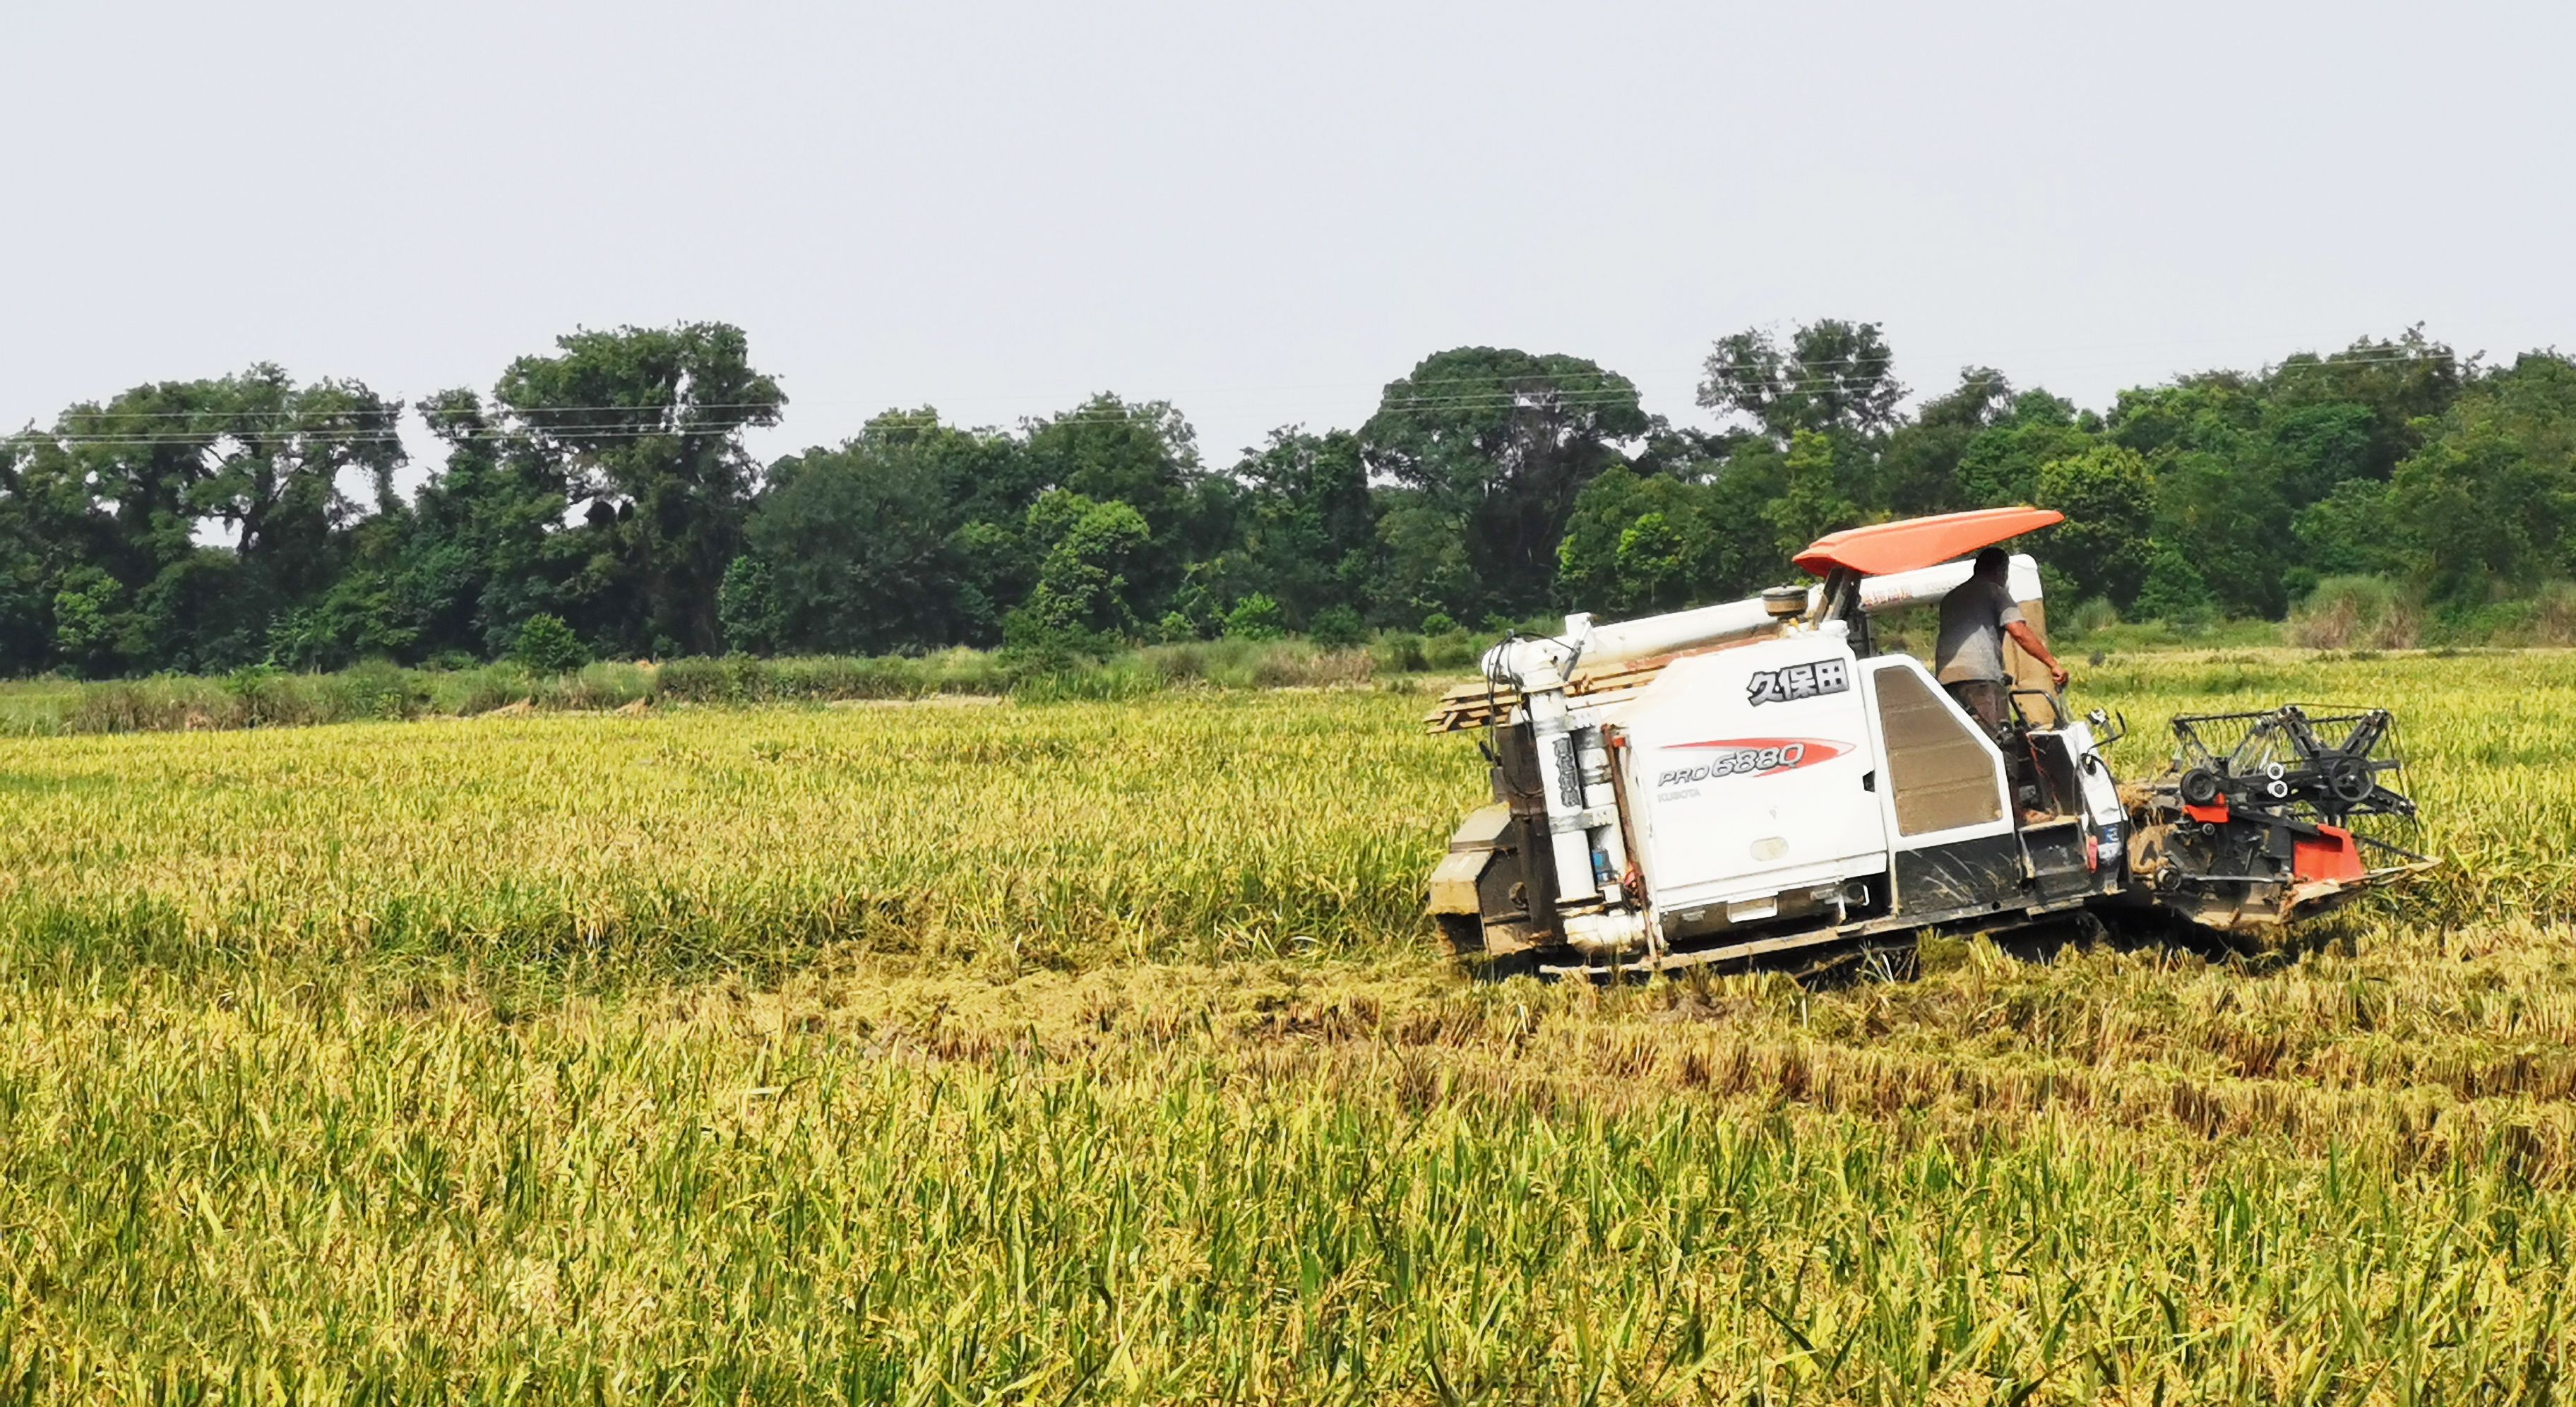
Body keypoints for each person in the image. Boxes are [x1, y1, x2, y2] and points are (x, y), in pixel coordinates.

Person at [1933, 546, 2068, 740]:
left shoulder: (1951, 598)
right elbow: (2019, 631)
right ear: (2000, 571)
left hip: (1947, 681)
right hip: (1980, 680)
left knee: (1969, 741)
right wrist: (2053, 664)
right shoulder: (1995, 591)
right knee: (1999, 740)